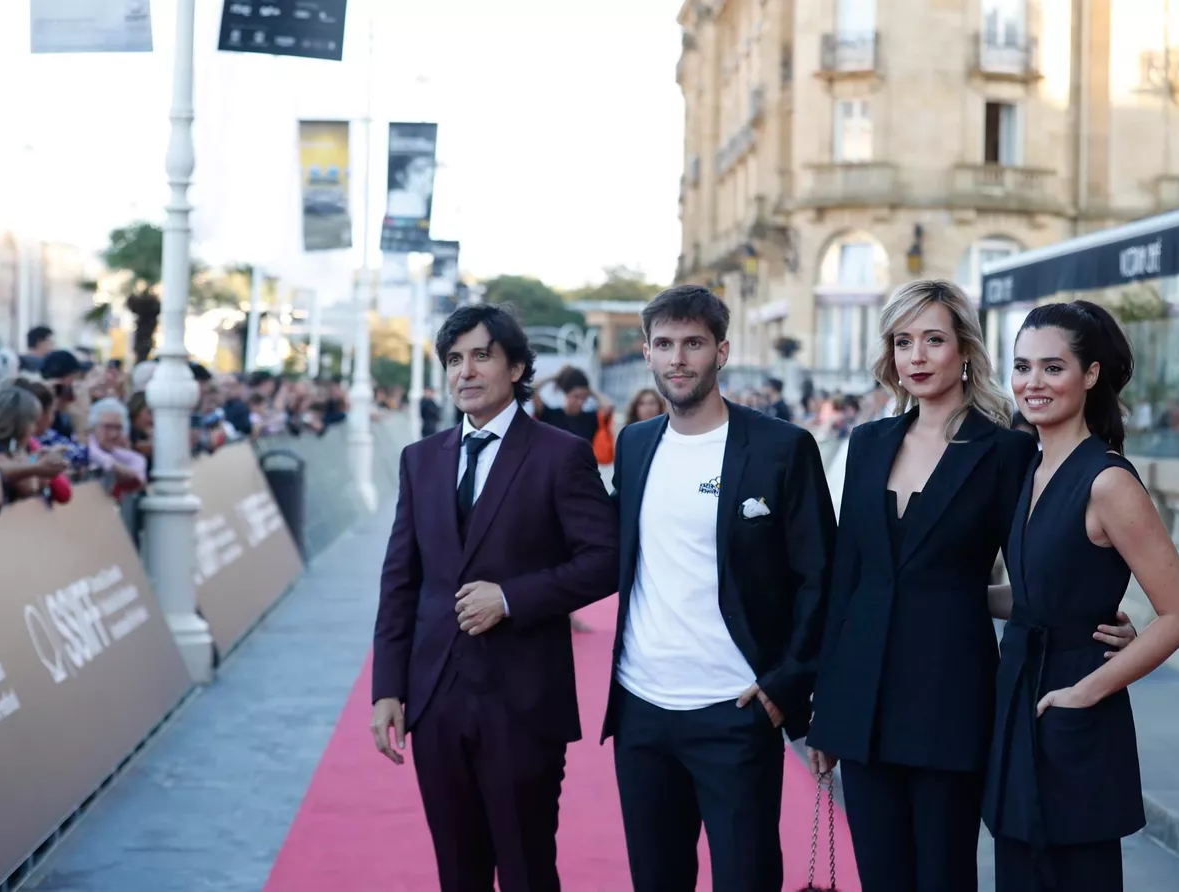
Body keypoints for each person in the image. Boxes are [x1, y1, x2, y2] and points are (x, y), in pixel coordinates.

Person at [805, 280, 1138, 892]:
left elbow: (1048, 561)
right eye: (903, 342)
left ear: (964, 350)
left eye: (934, 339)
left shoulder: (1009, 451)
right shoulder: (869, 442)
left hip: (951, 701)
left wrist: (1091, 615)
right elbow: (845, 580)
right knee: (880, 877)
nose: (918, 357)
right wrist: (825, 708)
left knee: (943, 876)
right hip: (861, 702)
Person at [370, 303, 619, 892]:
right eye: (454, 360)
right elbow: (400, 581)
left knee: (528, 869)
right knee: (458, 871)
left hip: (524, 700)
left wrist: (511, 598)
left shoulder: (560, 454)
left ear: (516, 368)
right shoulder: (420, 459)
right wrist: (388, 688)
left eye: (481, 356)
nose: (466, 372)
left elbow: (605, 560)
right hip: (435, 699)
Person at [602, 284, 837, 892]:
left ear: (721, 351)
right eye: (664, 344)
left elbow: (820, 575)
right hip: (641, 710)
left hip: (735, 710)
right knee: (656, 880)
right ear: (648, 354)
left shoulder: (783, 448)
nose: (678, 358)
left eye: (693, 344)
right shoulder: (634, 445)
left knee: (747, 877)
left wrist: (787, 682)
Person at [982, 300, 1179, 891]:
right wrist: (960, 597)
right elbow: (1034, 598)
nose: (1032, 383)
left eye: (1053, 368)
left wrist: (1086, 692)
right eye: (1022, 366)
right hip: (1019, 694)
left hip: (1073, 703)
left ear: (1092, 373)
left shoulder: (1107, 481)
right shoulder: (1030, 469)